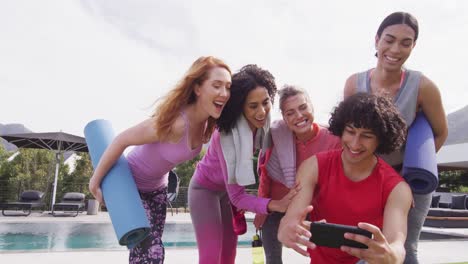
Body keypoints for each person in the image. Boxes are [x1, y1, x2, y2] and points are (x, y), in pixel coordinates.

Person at [88, 56, 232, 264]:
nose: (224, 93)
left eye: (228, 87)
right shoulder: (176, 123)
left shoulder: (206, 125)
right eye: (216, 85)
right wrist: (95, 181)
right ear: (198, 88)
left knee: (146, 252)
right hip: (131, 186)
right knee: (151, 252)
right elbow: (121, 140)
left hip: (158, 191)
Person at [343, 11, 448, 264]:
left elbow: (441, 132)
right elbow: (346, 134)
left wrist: (409, 173)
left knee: (403, 250)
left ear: (413, 46)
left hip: (409, 179)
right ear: (377, 40)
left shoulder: (423, 87)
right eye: (389, 39)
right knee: (361, 245)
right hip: (367, 178)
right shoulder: (354, 84)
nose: (395, 49)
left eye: (405, 42)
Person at [278, 93, 413, 264]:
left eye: (367, 135)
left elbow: (397, 246)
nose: (355, 144)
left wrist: (391, 255)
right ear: (341, 129)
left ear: (380, 139)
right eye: (350, 131)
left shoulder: (397, 188)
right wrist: (286, 230)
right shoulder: (313, 167)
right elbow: (290, 220)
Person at [188, 64, 300, 264]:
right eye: (253, 106)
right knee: (211, 257)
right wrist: (276, 204)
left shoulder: (261, 127)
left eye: (265, 103)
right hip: (204, 190)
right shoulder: (226, 136)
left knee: (229, 255)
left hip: (226, 194)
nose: (262, 112)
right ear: (240, 106)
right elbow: (238, 196)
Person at [253, 85, 341, 264]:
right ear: (284, 118)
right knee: (272, 259)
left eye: (303, 107)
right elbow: (265, 176)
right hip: (278, 208)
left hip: (314, 209)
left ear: (312, 107)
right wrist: (261, 211)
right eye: (290, 112)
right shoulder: (277, 138)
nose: (299, 116)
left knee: (321, 257)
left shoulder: (334, 140)